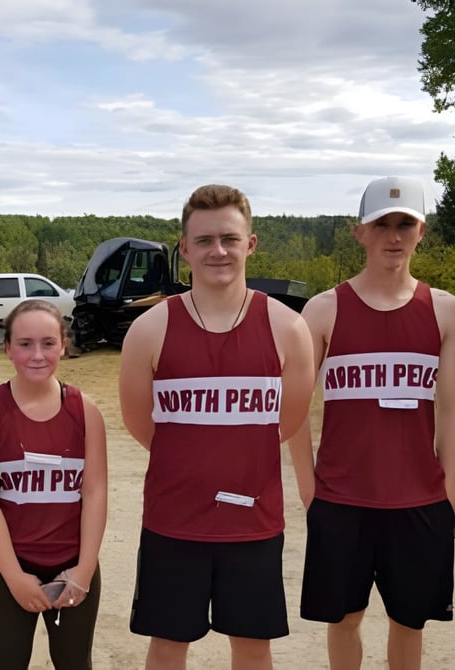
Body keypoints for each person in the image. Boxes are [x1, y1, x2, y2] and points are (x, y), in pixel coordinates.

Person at [119, 184, 316, 670]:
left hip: (252, 523)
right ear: (184, 248)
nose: (218, 251)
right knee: (167, 645)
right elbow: (142, 424)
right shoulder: (150, 328)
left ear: (251, 244)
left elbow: (287, 422)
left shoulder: (288, 328)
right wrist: (194, 462)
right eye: (204, 241)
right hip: (174, 521)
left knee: (252, 647)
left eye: (229, 238)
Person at [292, 176, 455, 670]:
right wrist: (310, 488)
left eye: (404, 224)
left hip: (419, 499)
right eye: (382, 224)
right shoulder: (323, 309)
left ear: (421, 232)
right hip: (342, 499)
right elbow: (295, 408)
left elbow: (453, 408)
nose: (394, 235)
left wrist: (449, 488)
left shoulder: (444, 309)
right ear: (359, 233)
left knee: (408, 621)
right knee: (344, 618)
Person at [0, 299, 107, 670]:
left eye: (48, 343)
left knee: (75, 662)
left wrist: (84, 570)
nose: (37, 355)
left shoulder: (85, 410)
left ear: (63, 344)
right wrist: (14, 577)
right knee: (8, 661)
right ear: (8, 348)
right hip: (7, 563)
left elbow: (94, 493)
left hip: (72, 561)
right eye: (25, 344)